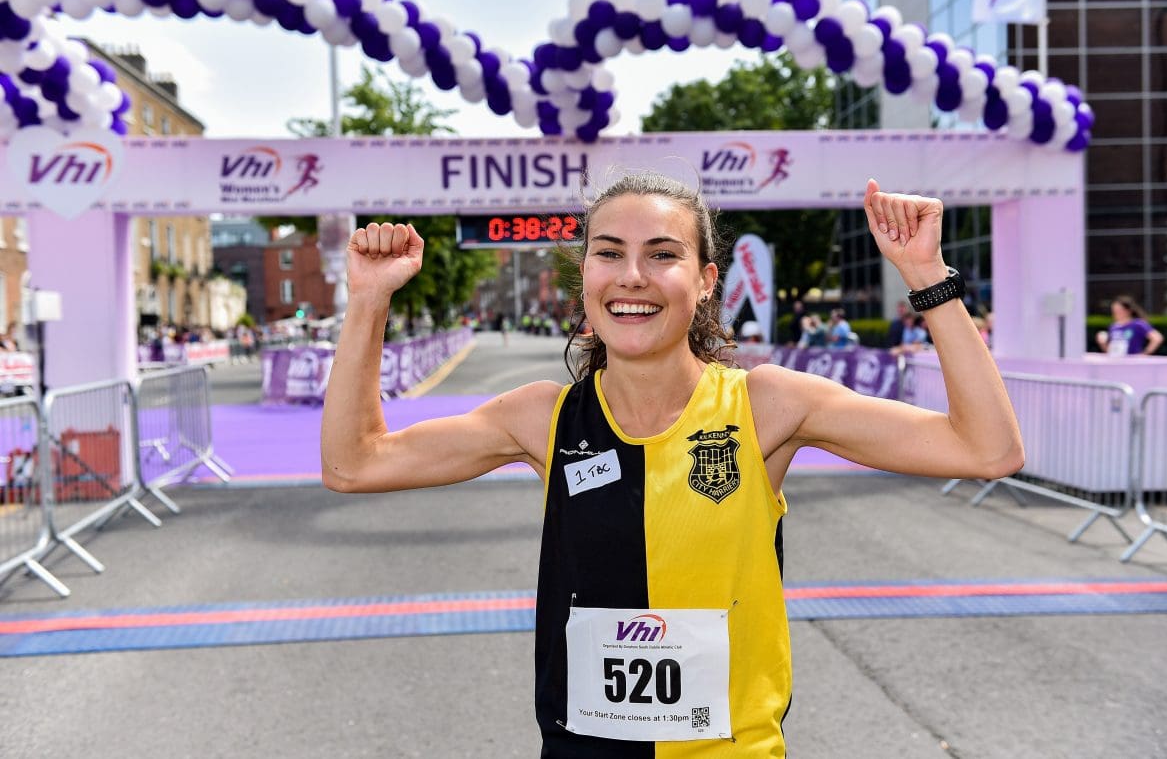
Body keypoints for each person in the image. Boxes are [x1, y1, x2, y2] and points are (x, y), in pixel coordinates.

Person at [321, 174, 1023, 757]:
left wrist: (927, 275)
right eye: (608, 253)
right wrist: (369, 300)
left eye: (662, 254)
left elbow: (986, 450)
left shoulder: (768, 404)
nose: (632, 276)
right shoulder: (542, 418)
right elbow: (354, 465)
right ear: (584, 276)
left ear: (706, 279)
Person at [1095, 295, 1163, 356]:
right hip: (1117, 363)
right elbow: (1111, 352)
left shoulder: (1138, 324)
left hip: (1133, 364)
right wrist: (1103, 343)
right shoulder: (1114, 326)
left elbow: (1157, 338)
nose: (1115, 313)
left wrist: (1144, 354)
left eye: (1118, 310)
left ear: (1128, 310)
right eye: (1114, 311)